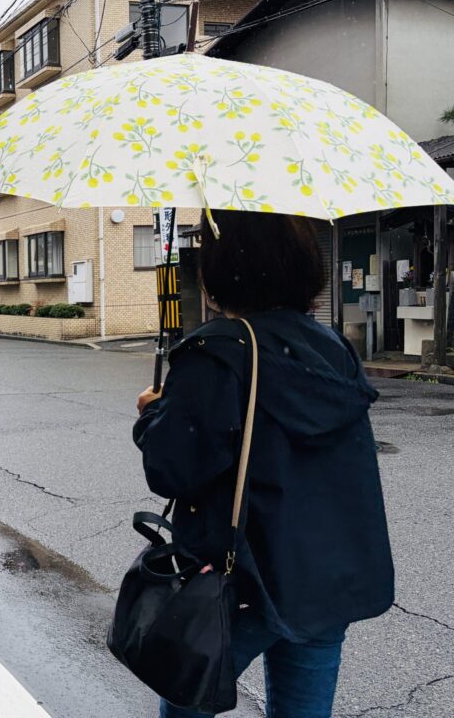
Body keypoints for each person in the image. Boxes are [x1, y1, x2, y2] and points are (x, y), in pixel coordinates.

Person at [133, 211, 394, 718]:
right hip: (324, 574)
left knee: (189, 699)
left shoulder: (216, 354)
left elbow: (172, 471)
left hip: (242, 580)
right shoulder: (333, 348)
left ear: (225, 270)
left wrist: (151, 416)